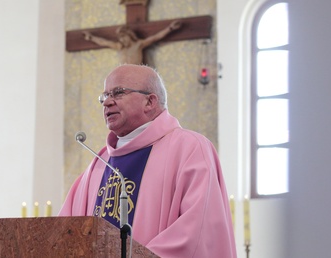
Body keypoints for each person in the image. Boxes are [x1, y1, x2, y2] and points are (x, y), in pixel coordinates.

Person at [58, 64, 236, 258]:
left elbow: (197, 229)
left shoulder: (190, 148)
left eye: (118, 93)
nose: (107, 102)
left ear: (150, 102)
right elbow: (64, 234)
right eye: (104, 96)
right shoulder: (99, 164)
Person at [83, 20, 181, 65]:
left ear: (129, 35)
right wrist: (91, 38)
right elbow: (103, 42)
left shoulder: (139, 44)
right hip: (124, 74)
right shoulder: (120, 46)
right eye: (120, 38)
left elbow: (155, 37)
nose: (122, 40)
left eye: (123, 37)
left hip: (137, 72)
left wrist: (170, 28)